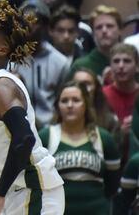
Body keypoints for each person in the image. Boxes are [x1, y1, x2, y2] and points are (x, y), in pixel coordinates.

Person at [0, 0, 64, 215]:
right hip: (14, 188)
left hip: (35, 191)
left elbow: (24, 139)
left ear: (2, 49)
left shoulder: (1, 87)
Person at [38, 81, 120, 215]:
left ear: (86, 105)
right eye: (64, 101)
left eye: (76, 100)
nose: (70, 105)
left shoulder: (104, 138)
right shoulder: (45, 137)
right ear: (57, 106)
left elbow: (113, 185)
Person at [13, 0, 70, 128]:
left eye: (33, 21)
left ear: (44, 25)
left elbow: (63, 100)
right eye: (23, 21)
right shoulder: (10, 58)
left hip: (51, 129)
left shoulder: (60, 62)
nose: (27, 25)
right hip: (18, 128)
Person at [72, 5, 123, 78]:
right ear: (93, 33)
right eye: (99, 27)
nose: (104, 31)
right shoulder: (80, 66)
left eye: (109, 26)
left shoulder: (134, 63)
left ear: (120, 30)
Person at [102, 44, 139, 142]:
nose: (121, 66)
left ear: (137, 66)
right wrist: (120, 132)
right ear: (110, 66)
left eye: (127, 61)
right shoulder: (102, 95)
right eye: (116, 61)